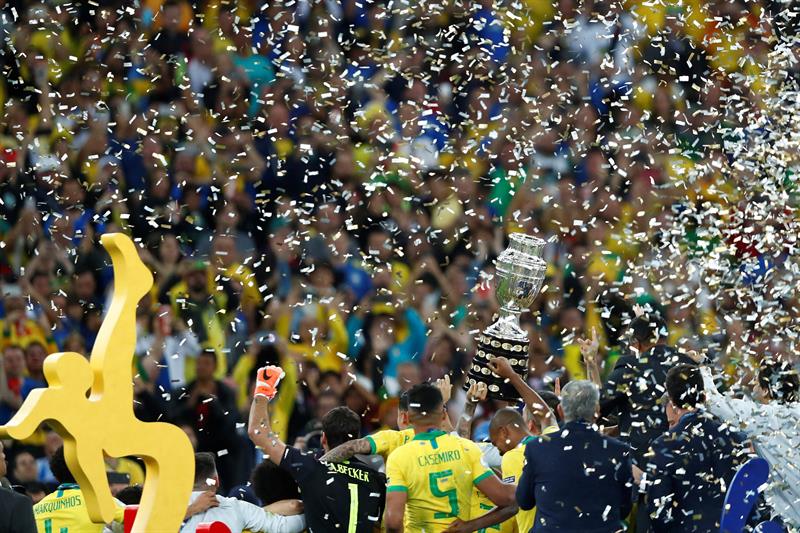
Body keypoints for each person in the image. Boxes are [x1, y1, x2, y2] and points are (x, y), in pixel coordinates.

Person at [247, 366, 386, 533]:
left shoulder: (310, 467)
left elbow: (257, 432)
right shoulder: (377, 479)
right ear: (358, 440)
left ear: (323, 438)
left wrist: (263, 389)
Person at [383, 382, 516, 533]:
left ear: (406, 418)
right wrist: (471, 526)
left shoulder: (399, 457)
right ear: (444, 415)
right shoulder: (466, 448)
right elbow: (507, 499)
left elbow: (393, 522)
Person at [516, 380, 634, 532]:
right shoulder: (619, 451)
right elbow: (624, 508)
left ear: (560, 410)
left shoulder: (538, 448)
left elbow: (524, 501)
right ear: (597, 410)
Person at [643, 364, 750, 532]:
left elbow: (658, 510)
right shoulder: (734, 437)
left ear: (671, 401)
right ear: (704, 396)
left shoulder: (663, 445)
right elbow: (749, 498)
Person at [700, 358, 800, 528]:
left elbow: (716, 404)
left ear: (767, 390)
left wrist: (702, 367)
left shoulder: (765, 417)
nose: (753, 386)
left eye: (757, 383)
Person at [600, 313, 695, 464]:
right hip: (685, 460)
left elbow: (594, 411)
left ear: (636, 343)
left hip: (638, 466)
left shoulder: (629, 369)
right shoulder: (689, 365)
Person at [180, 452, 305, 533]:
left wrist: (190, 510)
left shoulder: (165, 508)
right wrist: (316, 511)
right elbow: (283, 527)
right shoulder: (237, 507)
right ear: (216, 481)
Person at [0, 440, 36, 533]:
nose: (4, 456)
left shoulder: (47, 489)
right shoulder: (19, 502)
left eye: (32, 462)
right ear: (15, 470)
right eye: (1, 452)